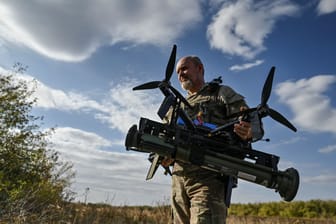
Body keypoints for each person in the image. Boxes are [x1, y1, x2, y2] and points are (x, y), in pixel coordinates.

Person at [163, 56, 253, 224]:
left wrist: (249, 131)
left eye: (184, 68)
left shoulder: (221, 93)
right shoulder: (175, 106)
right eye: (177, 72)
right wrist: (162, 155)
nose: (180, 74)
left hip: (210, 178)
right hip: (179, 180)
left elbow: (251, 120)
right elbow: (163, 137)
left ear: (200, 68)